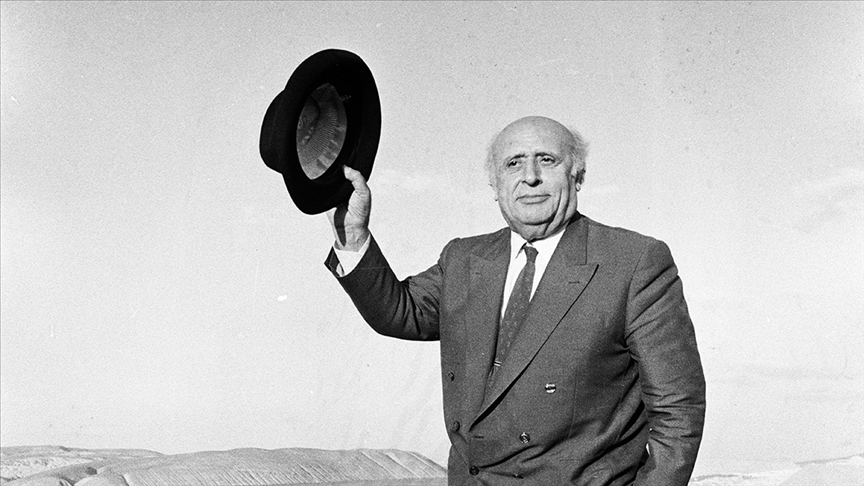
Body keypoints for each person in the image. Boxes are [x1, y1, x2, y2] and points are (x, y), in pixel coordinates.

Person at [323, 116, 705, 485]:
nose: (530, 176)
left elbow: (678, 409)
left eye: (547, 160)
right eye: (513, 163)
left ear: (578, 175)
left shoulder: (633, 262)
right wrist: (353, 235)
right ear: (495, 184)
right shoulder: (464, 259)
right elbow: (399, 313)